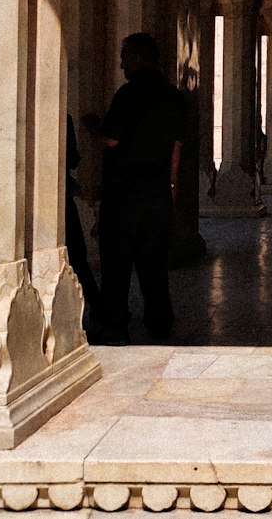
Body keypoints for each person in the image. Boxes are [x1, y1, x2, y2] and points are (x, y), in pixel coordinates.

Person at [88, 32, 186, 342]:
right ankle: (159, 319)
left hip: (124, 196)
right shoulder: (173, 96)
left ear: (137, 58)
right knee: (153, 264)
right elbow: (176, 145)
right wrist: (171, 184)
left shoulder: (128, 94)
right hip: (156, 195)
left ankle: (115, 320)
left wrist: (92, 127)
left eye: (125, 56)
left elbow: (112, 139)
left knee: (117, 263)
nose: (121, 63)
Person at [65, 113, 100, 319]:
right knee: (78, 256)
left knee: (77, 256)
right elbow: (73, 158)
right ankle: (98, 305)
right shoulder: (65, 118)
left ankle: (97, 305)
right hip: (62, 196)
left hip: (57, 194)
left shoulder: (65, 118)